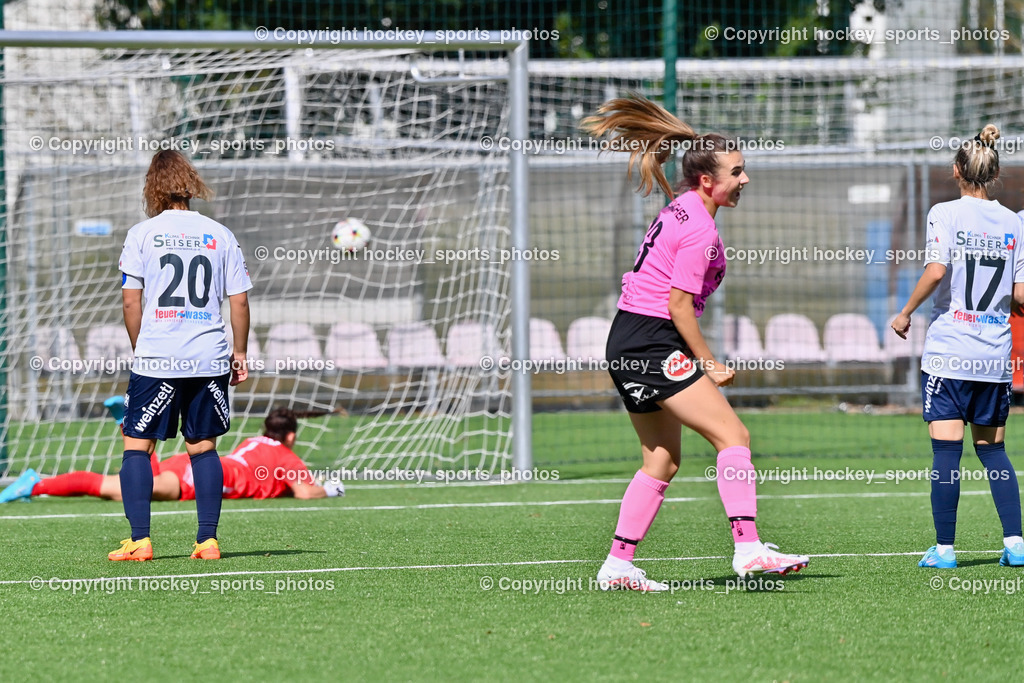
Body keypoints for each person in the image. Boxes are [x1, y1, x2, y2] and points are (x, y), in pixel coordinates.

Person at [580, 94, 808, 592]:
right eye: (737, 171)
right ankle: (748, 551)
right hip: (651, 343)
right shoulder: (701, 229)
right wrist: (708, 364)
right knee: (735, 437)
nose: (744, 179)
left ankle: (618, 564)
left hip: (627, 339)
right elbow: (680, 305)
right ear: (708, 180)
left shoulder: (681, 205)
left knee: (660, 460)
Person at [892, 125, 1024, 569]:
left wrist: (906, 311)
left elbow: (935, 271)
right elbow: (1021, 294)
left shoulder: (943, 213)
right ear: (995, 173)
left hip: (950, 350)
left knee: (947, 453)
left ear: (956, 171)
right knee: (994, 452)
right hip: (993, 356)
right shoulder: (1014, 221)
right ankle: (1016, 545)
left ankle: (945, 550)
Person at [112, 149, 252, 561]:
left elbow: (129, 304)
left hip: (158, 355)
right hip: (208, 356)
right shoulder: (219, 234)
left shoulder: (143, 234)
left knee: (137, 446)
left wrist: (143, 350)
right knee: (203, 447)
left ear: (152, 189)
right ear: (192, 185)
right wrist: (239, 352)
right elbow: (239, 302)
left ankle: (140, 541)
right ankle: (207, 541)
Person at [0, 406, 345, 504]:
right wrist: (330, 488)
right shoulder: (287, 456)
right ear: (291, 436)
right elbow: (304, 490)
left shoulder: (254, 443)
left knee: (114, 487)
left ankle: (36, 483)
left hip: (198, 464)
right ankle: (129, 426)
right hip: (206, 477)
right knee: (139, 489)